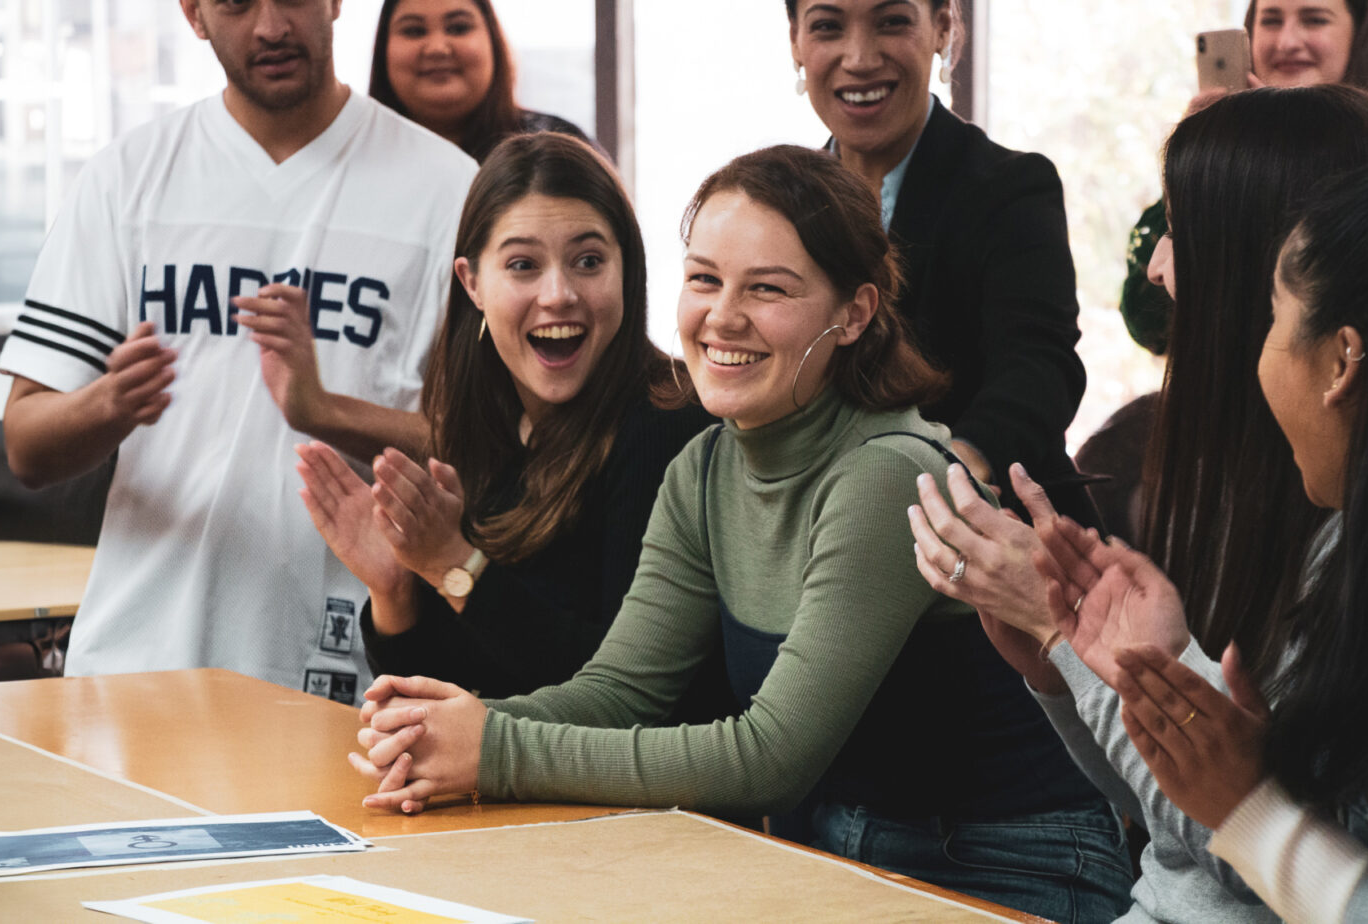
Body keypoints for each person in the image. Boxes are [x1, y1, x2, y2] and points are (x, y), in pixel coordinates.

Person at [346, 146, 1135, 919]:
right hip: (837, 853)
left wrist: (495, 750)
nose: (722, 317)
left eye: (767, 289)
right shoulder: (703, 468)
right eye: (704, 281)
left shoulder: (888, 472)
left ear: (854, 314)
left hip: (1008, 868)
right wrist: (447, 727)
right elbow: (622, 690)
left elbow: (770, 758)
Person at [909, 86, 1368, 923]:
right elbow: (1172, 828)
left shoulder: (1357, 541)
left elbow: (1248, 855)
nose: (1155, 267)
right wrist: (1063, 663)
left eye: (1178, 228)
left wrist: (1064, 638)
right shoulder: (1247, 482)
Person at [1059, 137, 1368, 922]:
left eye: (1274, 320)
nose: (1257, 356)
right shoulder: (1365, 555)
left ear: (1341, 362)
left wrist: (1251, 808)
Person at [0, 0, 477, 702]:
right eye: (237, 4)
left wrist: (324, 411)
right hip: (141, 666)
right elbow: (26, 445)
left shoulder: (445, 188)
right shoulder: (126, 178)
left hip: (353, 674)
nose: (272, 27)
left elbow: (495, 450)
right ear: (193, 14)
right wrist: (111, 403)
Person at [296, 132, 713, 700]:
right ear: (473, 284)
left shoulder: (668, 420)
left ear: (628, 271)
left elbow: (621, 692)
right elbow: (445, 689)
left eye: (589, 261)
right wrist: (396, 588)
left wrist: (452, 566)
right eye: (523, 265)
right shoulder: (485, 422)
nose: (559, 293)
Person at [786, 0, 1097, 523]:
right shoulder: (785, 208)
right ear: (795, 40)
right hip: (826, 531)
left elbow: (1040, 367)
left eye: (892, 21)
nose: (859, 58)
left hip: (994, 535)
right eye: (827, 27)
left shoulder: (1011, 189)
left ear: (944, 27)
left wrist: (956, 472)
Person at [1120, 0, 1368, 354]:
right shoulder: (1217, 164)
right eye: (1271, 21)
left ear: (1360, 35)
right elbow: (1150, 321)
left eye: (1314, 19)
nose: (1287, 42)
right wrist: (1201, 169)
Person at [369, 0, 587, 162]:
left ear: (492, 40)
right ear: (383, 50)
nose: (437, 48)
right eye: (414, 31)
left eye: (458, 28)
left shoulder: (558, 147)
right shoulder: (356, 151)